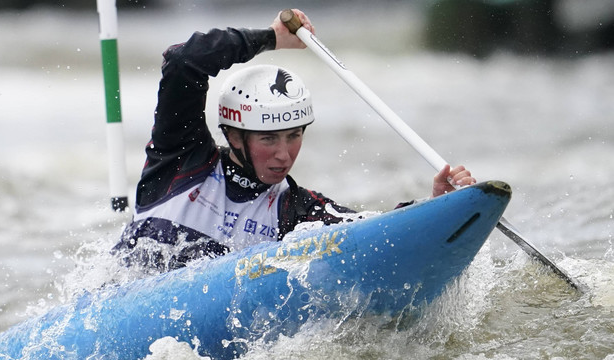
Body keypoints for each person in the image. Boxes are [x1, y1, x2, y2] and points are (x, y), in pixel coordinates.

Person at [112, 9, 476, 274]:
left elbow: (371, 232)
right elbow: (184, 60)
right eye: (268, 138)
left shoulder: (295, 210)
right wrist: (270, 39)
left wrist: (436, 207)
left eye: (294, 135)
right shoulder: (179, 160)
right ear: (233, 134)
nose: (284, 155)